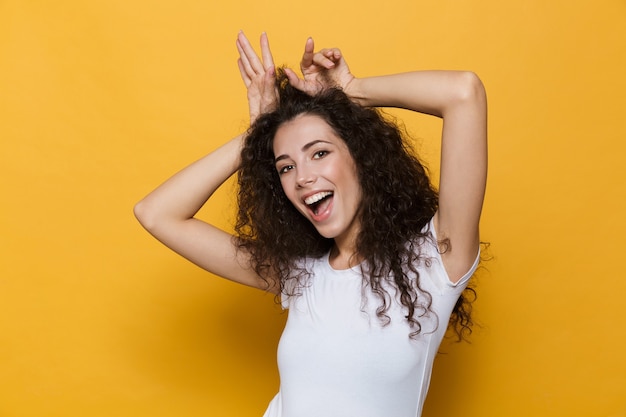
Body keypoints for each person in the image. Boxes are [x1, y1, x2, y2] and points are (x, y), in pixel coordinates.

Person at [134, 31, 487, 417]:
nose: (302, 177)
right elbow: (157, 213)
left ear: (362, 157)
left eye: (319, 153)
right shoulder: (299, 274)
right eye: (286, 166)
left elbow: (463, 93)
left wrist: (351, 91)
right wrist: (258, 134)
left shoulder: (434, 263)